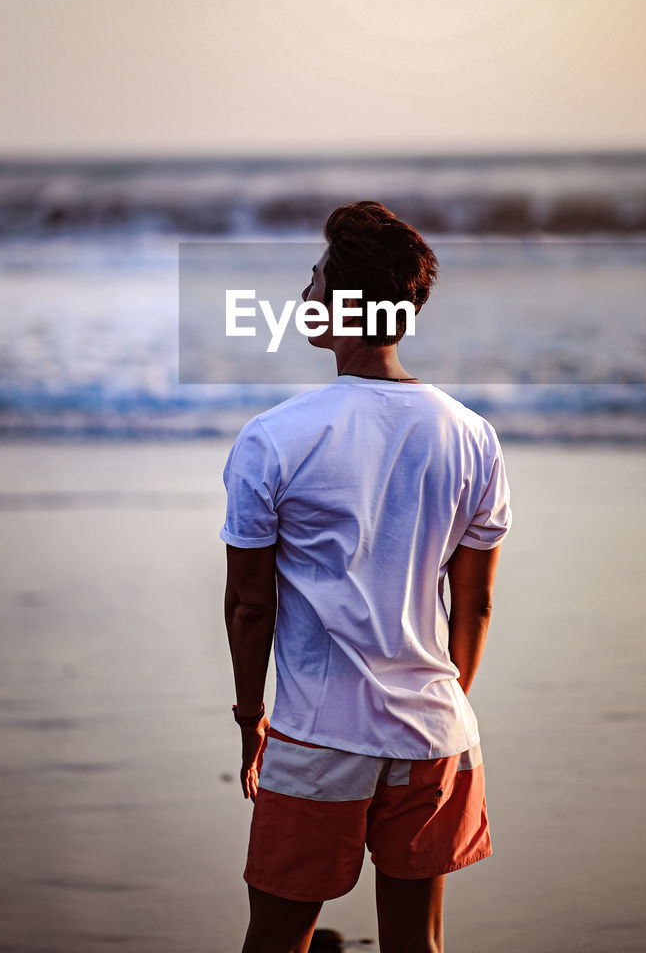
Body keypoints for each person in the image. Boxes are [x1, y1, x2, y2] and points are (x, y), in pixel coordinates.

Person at [222, 201, 511, 953]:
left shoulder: (276, 438)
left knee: (276, 940)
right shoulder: (471, 435)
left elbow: (251, 605)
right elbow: (473, 604)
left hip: (320, 735)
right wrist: (436, 710)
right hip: (433, 731)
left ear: (348, 302)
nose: (304, 298)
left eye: (314, 280)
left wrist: (250, 714)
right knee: (415, 945)